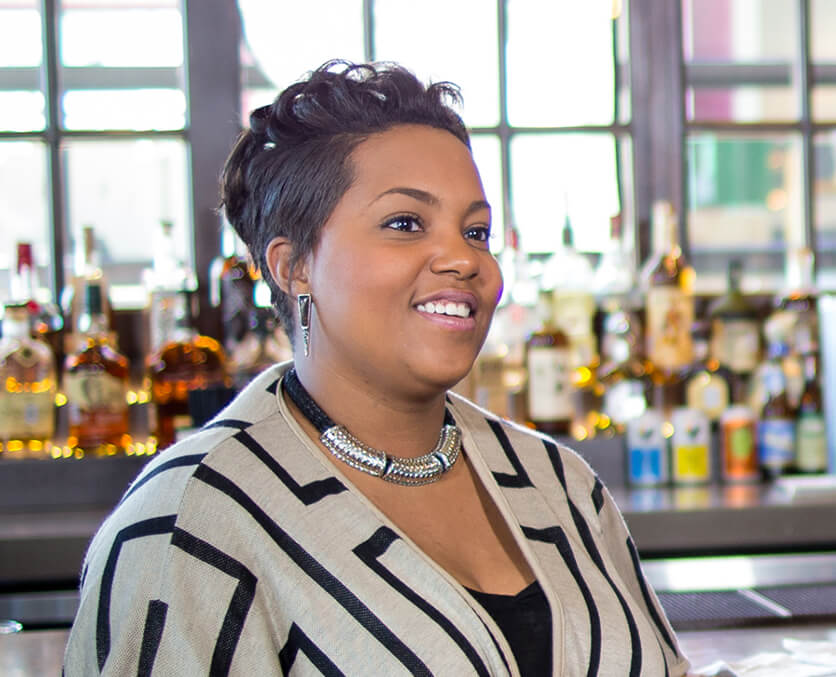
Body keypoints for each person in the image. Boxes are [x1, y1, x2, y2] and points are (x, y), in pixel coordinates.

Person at [64, 60, 690, 676]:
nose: (463, 259)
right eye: (405, 223)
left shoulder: (559, 484)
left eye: (476, 232)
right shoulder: (190, 522)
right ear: (292, 267)